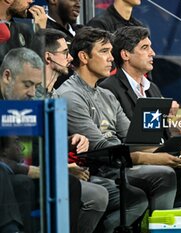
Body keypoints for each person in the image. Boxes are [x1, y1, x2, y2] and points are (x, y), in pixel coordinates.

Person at [56, 26, 164, 232]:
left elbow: (131, 136)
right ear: (84, 57)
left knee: (140, 197)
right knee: (161, 176)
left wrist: (160, 149)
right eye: (104, 51)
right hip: (97, 170)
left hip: (117, 166)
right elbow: (99, 145)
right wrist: (145, 155)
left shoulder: (106, 95)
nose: (111, 58)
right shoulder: (70, 95)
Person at [99, 26, 181, 208]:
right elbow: (120, 138)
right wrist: (159, 156)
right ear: (125, 55)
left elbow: (165, 132)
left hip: (161, 155)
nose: (152, 53)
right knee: (166, 174)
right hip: (132, 163)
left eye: (151, 47)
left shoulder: (152, 88)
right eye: (145, 48)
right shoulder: (109, 88)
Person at [34, 28, 110, 233]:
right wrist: (64, 169)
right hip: (37, 174)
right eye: (65, 52)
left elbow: (50, 140)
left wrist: (70, 139)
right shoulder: (32, 96)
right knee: (98, 194)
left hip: (62, 171)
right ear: (48, 57)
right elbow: (32, 148)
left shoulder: (55, 96)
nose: (70, 58)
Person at [0, 47, 83, 233]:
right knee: (23, 184)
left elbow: (30, 149)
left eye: (36, 86)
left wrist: (64, 143)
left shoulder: (23, 105)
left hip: (19, 169)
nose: (32, 92)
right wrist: (34, 170)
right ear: (7, 76)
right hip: (8, 174)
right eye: (27, 84)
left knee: (70, 184)